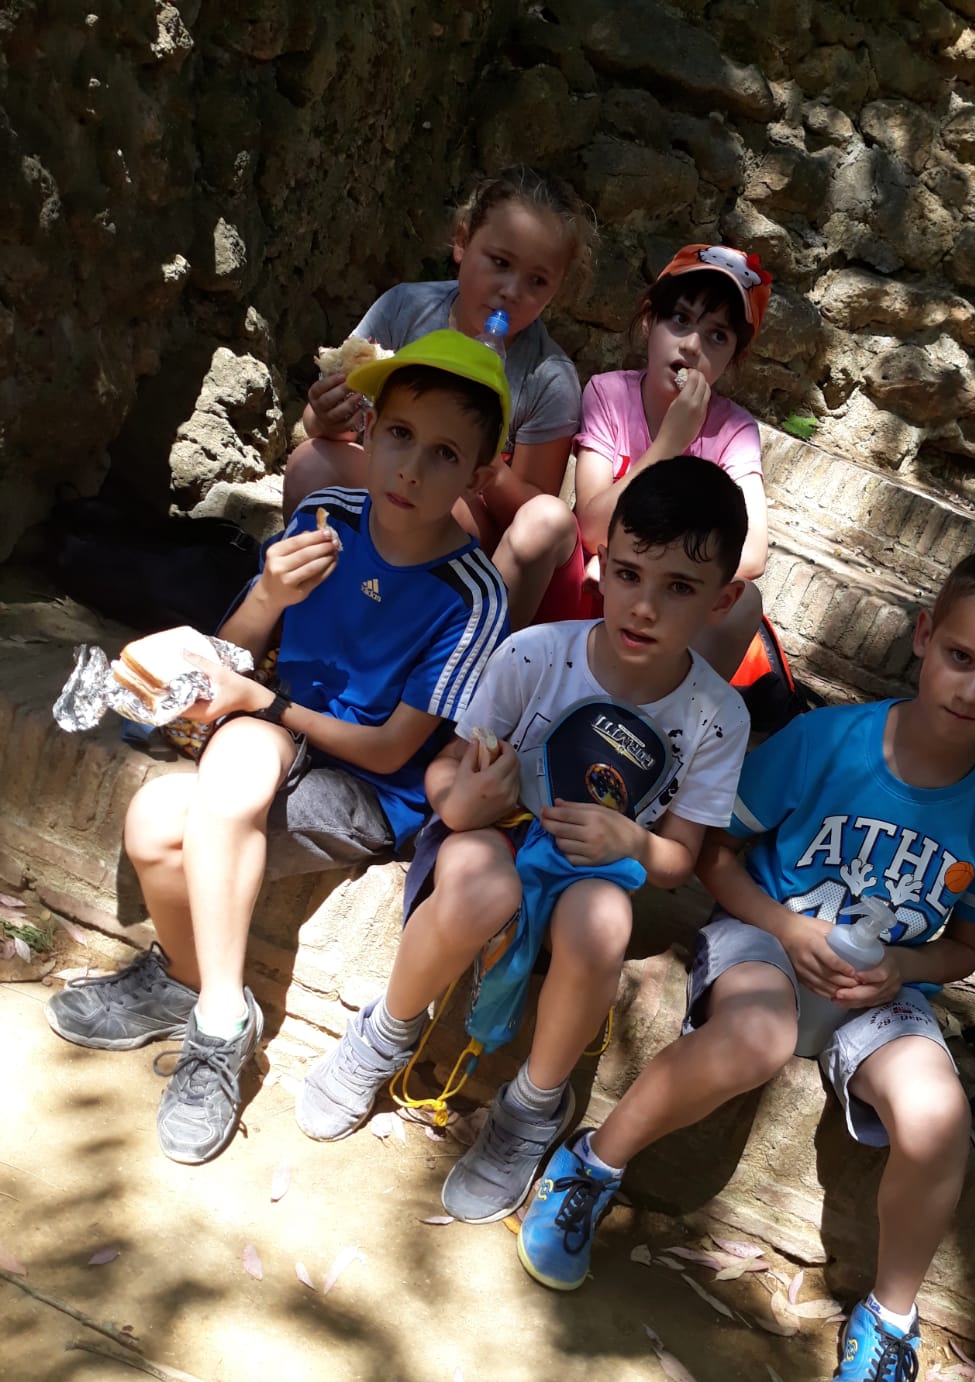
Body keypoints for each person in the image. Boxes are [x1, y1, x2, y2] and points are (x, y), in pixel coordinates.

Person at [516, 545, 975, 1382]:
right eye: (960, 657)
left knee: (938, 1116)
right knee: (756, 1038)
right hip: (767, 939)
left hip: (880, 987)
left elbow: (966, 949)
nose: (972, 689)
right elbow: (715, 855)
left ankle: (889, 1322)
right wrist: (785, 925)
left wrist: (900, 968)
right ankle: (591, 1165)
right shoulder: (829, 741)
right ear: (924, 636)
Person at [47, 332, 512, 1166]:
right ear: (369, 429)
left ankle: (217, 1023)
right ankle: (199, 987)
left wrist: (261, 702)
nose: (410, 469)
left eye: (444, 454)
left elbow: (389, 750)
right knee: (152, 820)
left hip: (368, 791)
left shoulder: (472, 596)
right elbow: (233, 649)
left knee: (235, 756)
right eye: (399, 434)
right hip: (269, 747)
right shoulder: (326, 517)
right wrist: (267, 593)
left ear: (478, 476)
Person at [295, 457, 753, 1228]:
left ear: (723, 600)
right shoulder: (535, 654)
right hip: (495, 833)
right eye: (630, 574)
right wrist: (464, 799)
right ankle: (386, 1032)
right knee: (482, 886)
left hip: (596, 868)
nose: (644, 606)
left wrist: (631, 840)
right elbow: (448, 770)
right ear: (601, 564)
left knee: (603, 922)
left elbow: (678, 863)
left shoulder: (717, 716)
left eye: (679, 587)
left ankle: (533, 1107)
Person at [283, 164, 590, 555]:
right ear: (461, 242)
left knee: (437, 502)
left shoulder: (547, 378)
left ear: (556, 290)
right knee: (311, 464)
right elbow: (322, 428)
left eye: (537, 281)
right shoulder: (405, 310)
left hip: (462, 522)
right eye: (500, 262)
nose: (512, 291)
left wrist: (481, 457)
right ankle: (306, 584)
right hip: (385, 479)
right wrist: (326, 416)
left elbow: (531, 516)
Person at [498, 244, 773, 674]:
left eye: (717, 336)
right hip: (585, 591)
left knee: (744, 602)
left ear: (734, 358)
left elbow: (752, 554)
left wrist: (644, 569)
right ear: (649, 321)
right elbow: (591, 527)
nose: (692, 345)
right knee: (543, 518)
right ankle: (472, 677)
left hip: (662, 614)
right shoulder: (609, 394)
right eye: (679, 319)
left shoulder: (733, 430)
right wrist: (669, 443)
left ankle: (659, 716)